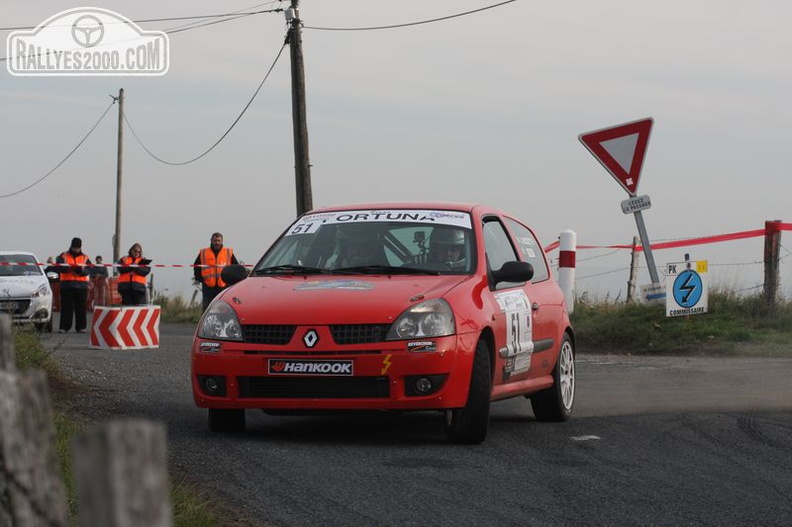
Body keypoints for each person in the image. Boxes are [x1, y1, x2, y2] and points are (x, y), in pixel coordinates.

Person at [194, 233, 239, 311]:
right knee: (207, 308)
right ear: (211, 241)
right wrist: (200, 279)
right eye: (215, 241)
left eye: (218, 241)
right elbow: (196, 266)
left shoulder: (228, 252)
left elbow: (235, 267)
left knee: (224, 308)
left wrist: (231, 282)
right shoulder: (204, 252)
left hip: (223, 286)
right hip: (208, 286)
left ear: (222, 241)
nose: (217, 243)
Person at [56, 237, 92, 333]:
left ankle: (81, 327)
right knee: (66, 307)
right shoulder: (63, 256)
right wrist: (71, 269)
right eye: (74, 247)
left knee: (81, 307)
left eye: (78, 247)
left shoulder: (85, 257)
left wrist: (82, 271)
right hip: (67, 284)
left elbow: (90, 269)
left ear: (80, 247)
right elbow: (59, 267)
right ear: (71, 246)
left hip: (81, 285)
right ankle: (64, 327)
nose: (76, 249)